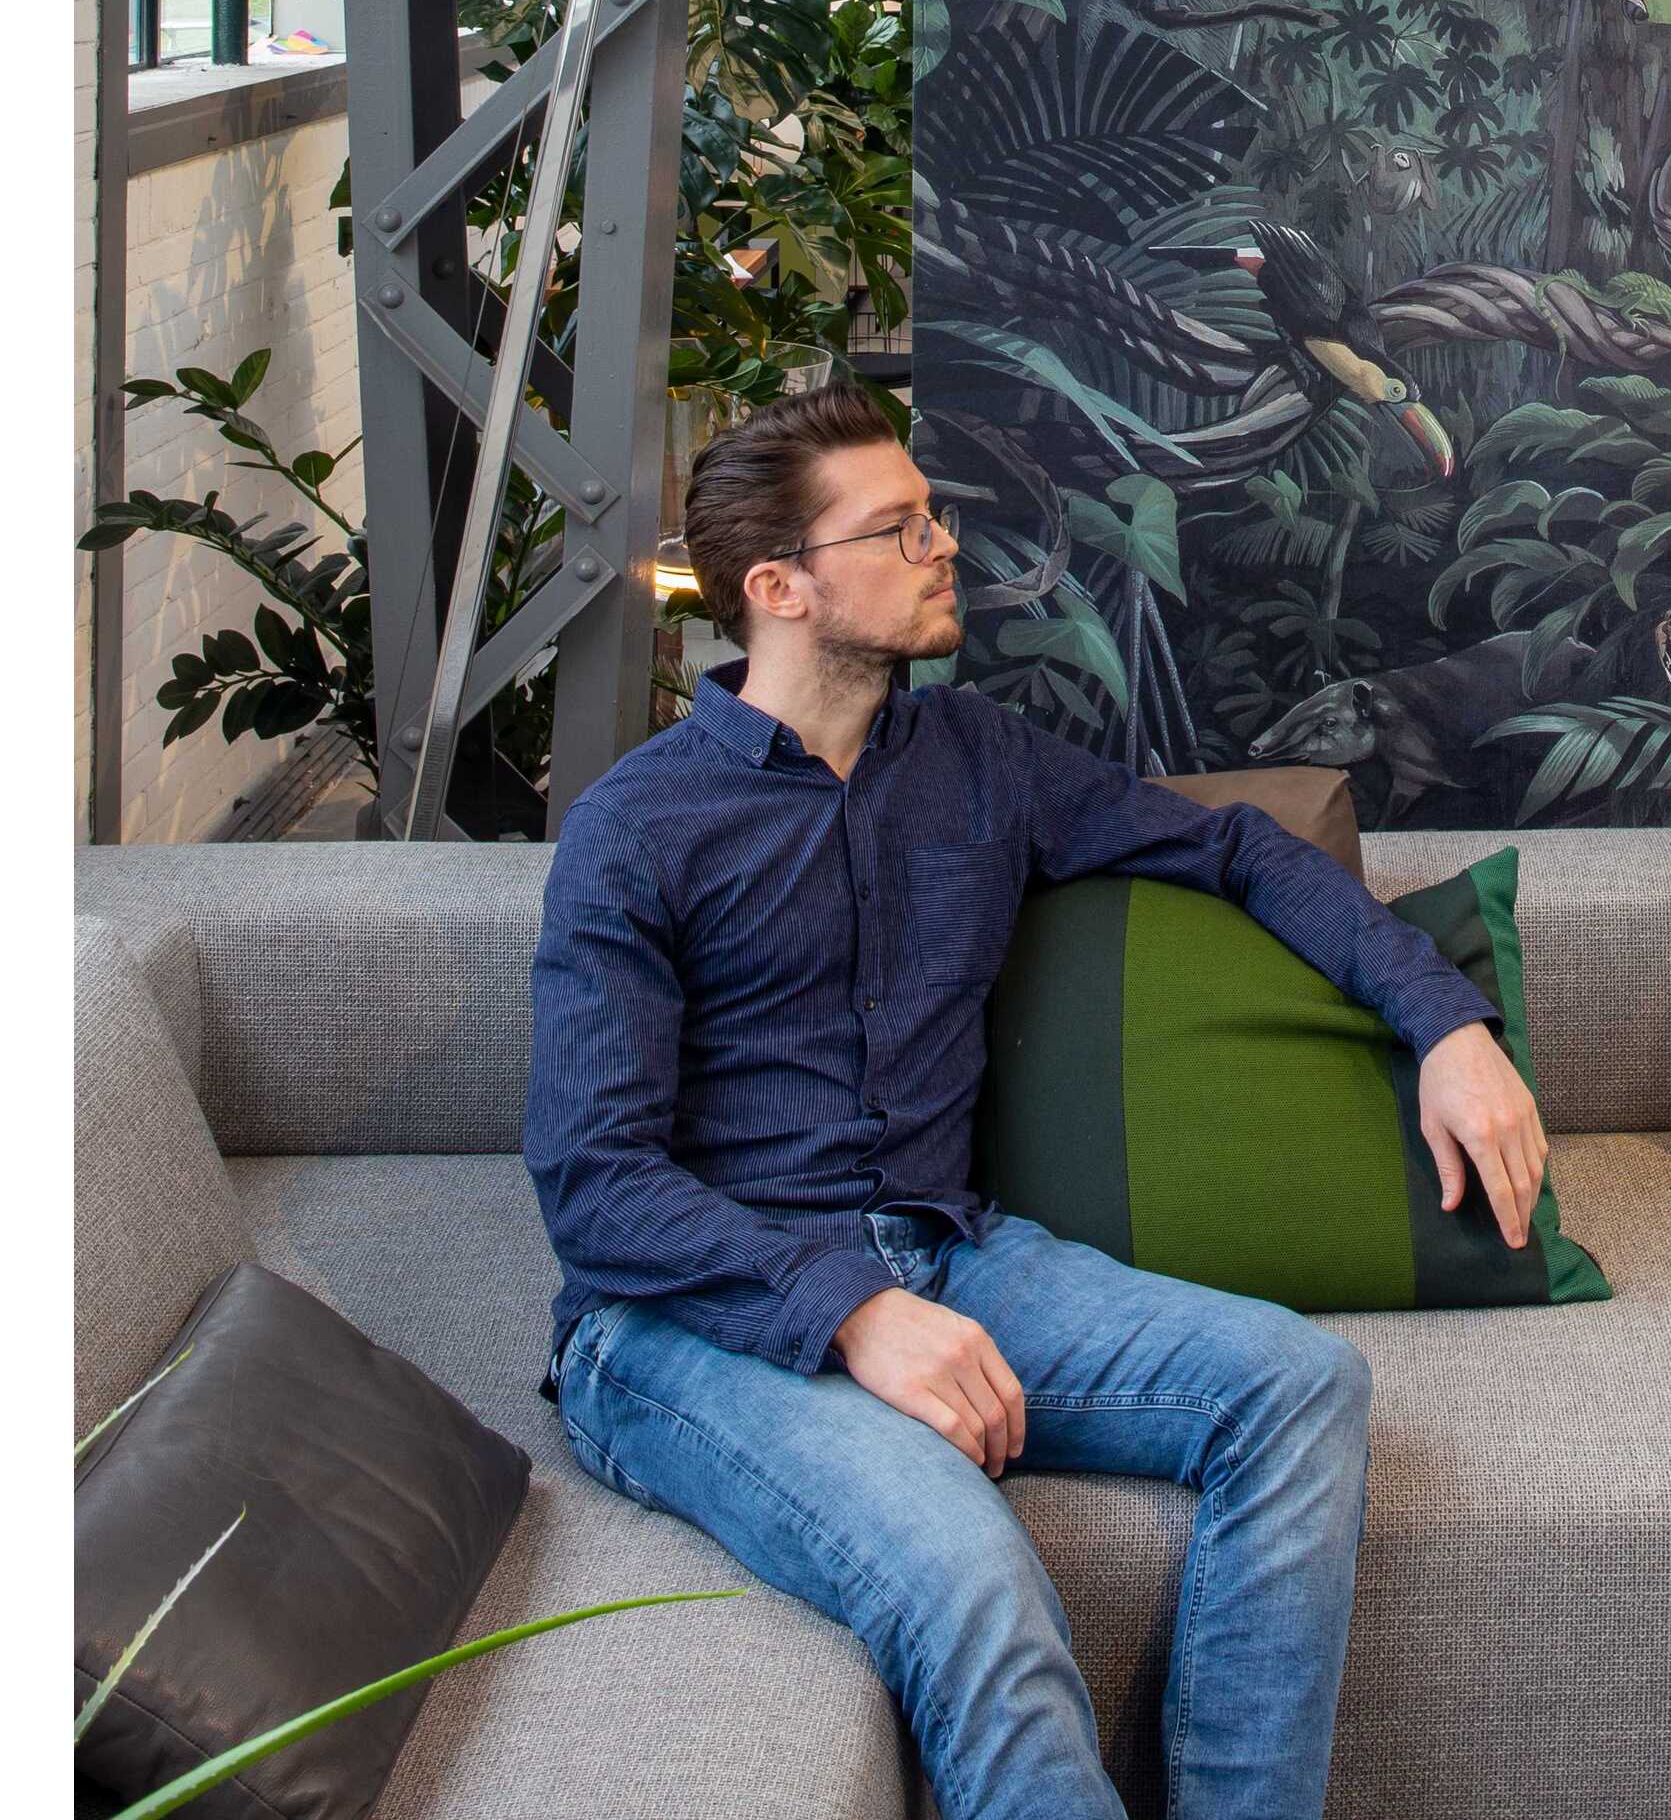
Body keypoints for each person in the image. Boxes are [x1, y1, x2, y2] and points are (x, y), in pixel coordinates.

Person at [526, 382, 1548, 1820]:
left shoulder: (979, 761)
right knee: (975, 1581)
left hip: (948, 1253)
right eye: (898, 527)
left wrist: (1446, 1024)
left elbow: (1240, 854)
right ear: (780, 589)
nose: (945, 544)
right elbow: (595, 1187)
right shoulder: (635, 829)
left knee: (1299, 1388)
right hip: (681, 1325)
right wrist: (851, 1312)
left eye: (931, 513)